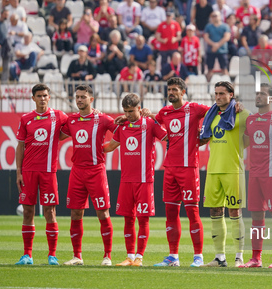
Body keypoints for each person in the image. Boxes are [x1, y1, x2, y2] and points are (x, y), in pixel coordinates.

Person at [151, 77, 210, 267]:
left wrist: (205, 134)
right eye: (169, 89)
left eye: (175, 89)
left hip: (189, 168)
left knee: (192, 211)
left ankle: (198, 256)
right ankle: (173, 257)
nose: (172, 92)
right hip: (170, 169)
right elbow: (154, 123)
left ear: (183, 92)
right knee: (171, 212)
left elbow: (214, 113)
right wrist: (144, 114)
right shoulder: (165, 112)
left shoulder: (194, 108)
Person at [103, 94, 168, 266]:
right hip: (126, 180)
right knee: (128, 218)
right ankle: (130, 256)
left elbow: (168, 136)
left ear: (140, 108)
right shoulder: (123, 126)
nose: (129, 114)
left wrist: (155, 116)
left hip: (145, 179)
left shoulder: (150, 124)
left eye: (131, 111)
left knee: (143, 218)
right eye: (126, 111)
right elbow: (110, 146)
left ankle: (140, 256)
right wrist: (90, 147)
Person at [59, 85, 116, 266]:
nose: (79, 100)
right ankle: (77, 256)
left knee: (103, 213)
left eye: (83, 97)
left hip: (96, 171)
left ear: (91, 99)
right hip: (77, 171)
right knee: (75, 213)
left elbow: (122, 131)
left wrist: (107, 148)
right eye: (77, 97)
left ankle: (107, 256)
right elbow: (58, 136)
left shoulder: (102, 119)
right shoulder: (72, 120)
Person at [14, 84, 68, 265]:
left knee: (50, 212)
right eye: (39, 96)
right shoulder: (26, 119)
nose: (42, 98)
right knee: (28, 211)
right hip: (28, 171)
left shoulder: (58, 116)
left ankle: (52, 255)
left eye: (45, 95)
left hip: (48, 171)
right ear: (33, 98)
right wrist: (18, 172)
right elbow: (20, 146)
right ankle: (27, 255)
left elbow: (75, 123)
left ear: (49, 97)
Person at [199, 81, 250, 267]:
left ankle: (239, 256)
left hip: (233, 169)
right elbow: (205, 136)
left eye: (222, 93)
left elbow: (254, 133)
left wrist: (241, 145)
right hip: (213, 169)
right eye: (216, 93)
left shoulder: (242, 113)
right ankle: (220, 257)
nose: (218, 97)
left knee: (235, 211)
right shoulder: (210, 114)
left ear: (231, 94)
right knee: (215, 211)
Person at [240, 84, 272, 268]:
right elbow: (245, 141)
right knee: (256, 216)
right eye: (257, 93)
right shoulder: (251, 120)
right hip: (254, 174)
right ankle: (256, 258)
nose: (258, 96)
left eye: (262, 94)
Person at [203, 12, 231, 80]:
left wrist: (217, 45)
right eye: (213, 16)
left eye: (216, 16)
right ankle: (208, 87)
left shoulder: (225, 26)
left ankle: (227, 85)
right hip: (211, 50)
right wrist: (214, 45)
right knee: (209, 70)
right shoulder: (208, 26)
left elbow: (227, 37)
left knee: (224, 69)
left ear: (220, 16)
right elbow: (206, 37)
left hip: (222, 50)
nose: (214, 17)